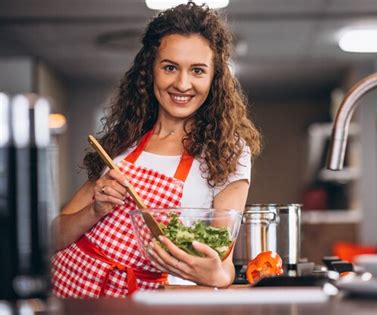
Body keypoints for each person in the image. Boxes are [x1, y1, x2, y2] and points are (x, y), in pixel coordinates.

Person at [51, 2, 261, 298]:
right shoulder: (126, 137)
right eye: (170, 67)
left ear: (214, 79)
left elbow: (222, 266)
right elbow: (53, 236)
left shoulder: (227, 152)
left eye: (198, 70)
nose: (182, 83)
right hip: (70, 286)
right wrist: (95, 210)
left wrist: (216, 274)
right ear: (151, 70)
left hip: (144, 299)